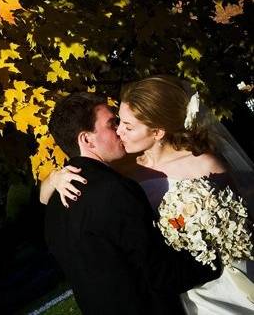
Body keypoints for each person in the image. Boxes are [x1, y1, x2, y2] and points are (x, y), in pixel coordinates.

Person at [42, 75, 254, 314]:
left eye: (126, 125)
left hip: (216, 279)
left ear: (157, 131)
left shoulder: (204, 163)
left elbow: (242, 219)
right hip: (177, 289)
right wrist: (53, 179)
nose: (120, 131)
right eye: (117, 123)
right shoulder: (120, 173)